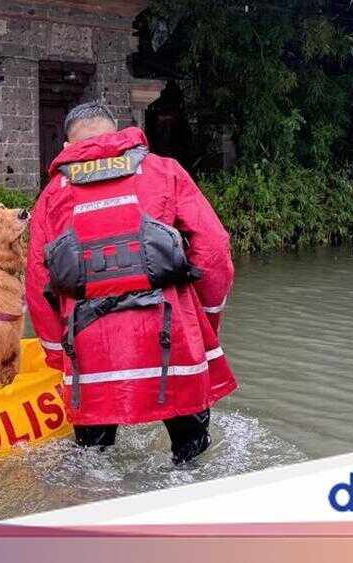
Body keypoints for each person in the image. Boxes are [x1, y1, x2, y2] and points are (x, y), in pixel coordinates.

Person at [26, 102, 236, 464]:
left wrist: (57, 354)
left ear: (66, 147)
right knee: (193, 463)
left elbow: (37, 283)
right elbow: (214, 250)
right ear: (119, 132)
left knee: (93, 467)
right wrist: (205, 318)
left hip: (89, 352)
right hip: (173, 340)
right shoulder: (165, 171)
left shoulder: (51, 197)